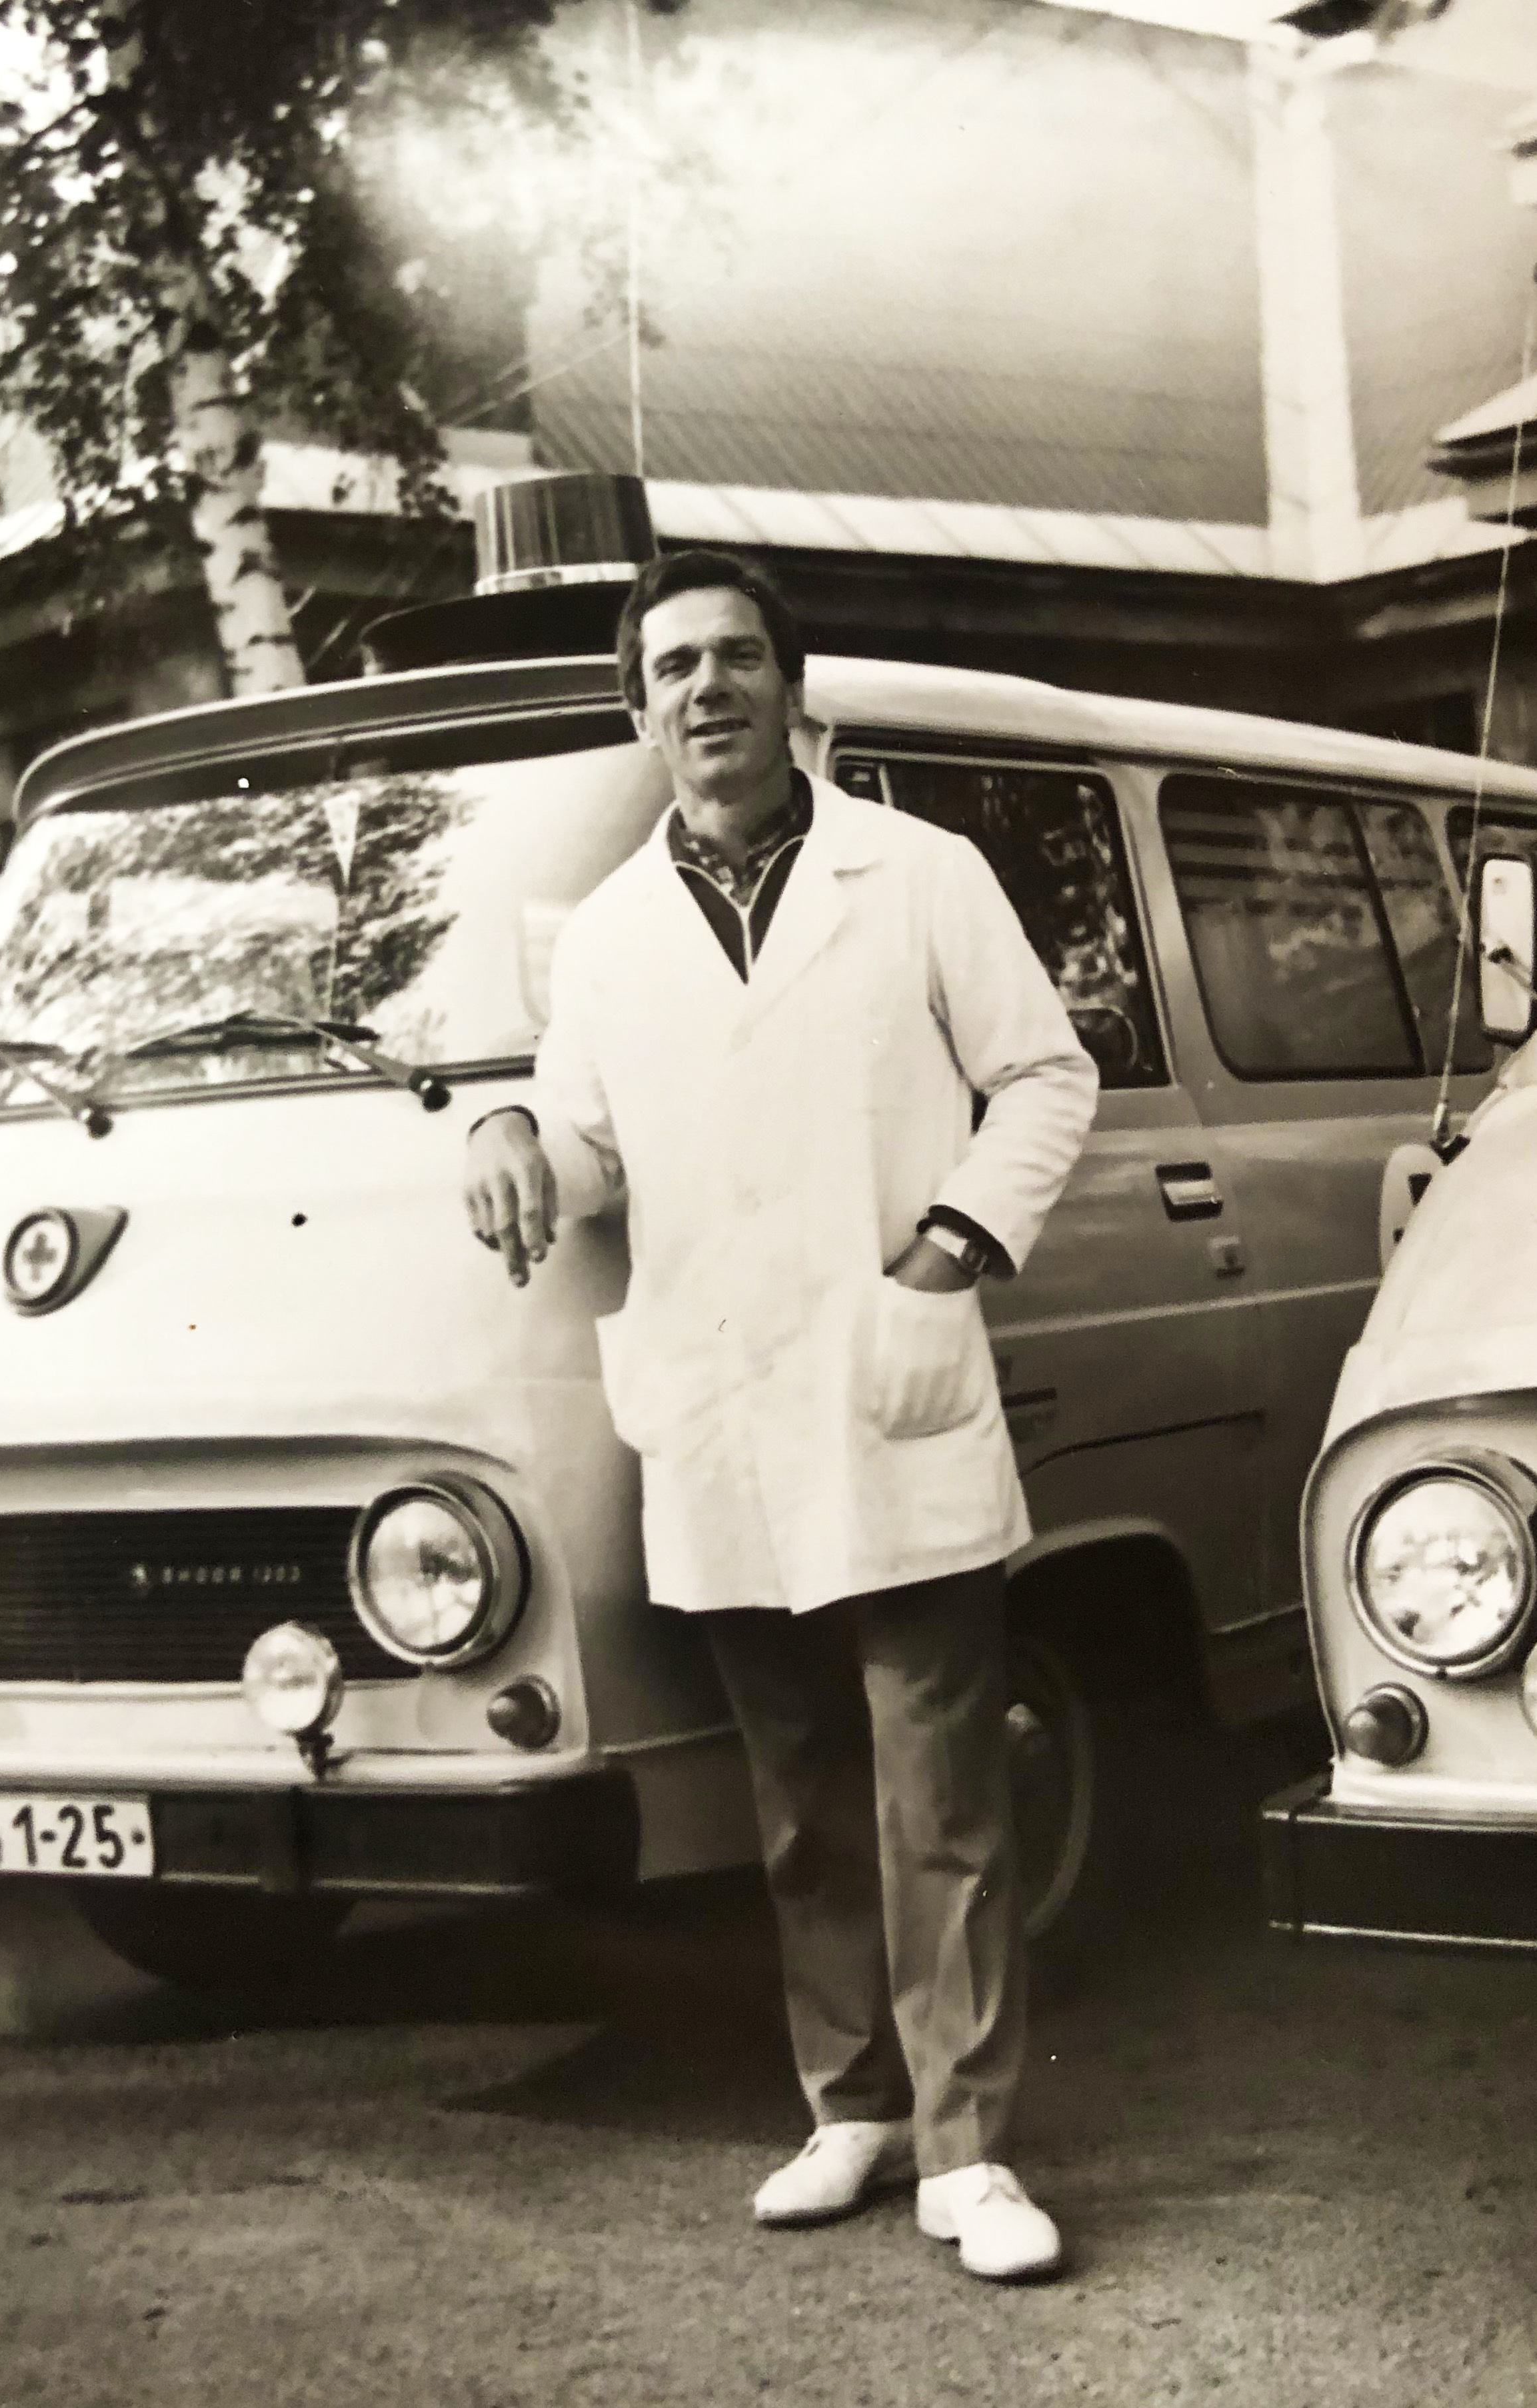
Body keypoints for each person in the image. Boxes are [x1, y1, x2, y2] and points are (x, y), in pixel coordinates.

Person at [463, 549, 1097, 2281]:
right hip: (727, 1406)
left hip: (887, 1375)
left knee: (940, 1792)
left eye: (737, 657)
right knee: (803, 1796)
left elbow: (1047, 1073)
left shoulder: (919, 873)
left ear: (790, 689)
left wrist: (949, 1248)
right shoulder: (607, 932)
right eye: (673, 667)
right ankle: (853, 2107)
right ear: (639, 710)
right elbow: (589, 1141)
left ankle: (971, 2152)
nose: (708, 688)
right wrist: (508, 1131)